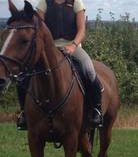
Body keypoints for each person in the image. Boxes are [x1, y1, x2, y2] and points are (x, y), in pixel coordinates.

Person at [16, 0, 102, 130]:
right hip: (49, 49)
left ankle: (96, 109)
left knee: (89, 70)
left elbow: (81, 30)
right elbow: (39, 28)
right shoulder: (44, 3)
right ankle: (24, 113)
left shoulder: (76, 2)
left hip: (73, 47)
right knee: (23, 76)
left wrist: (73, 46)